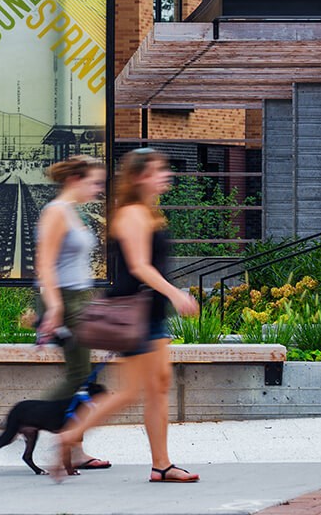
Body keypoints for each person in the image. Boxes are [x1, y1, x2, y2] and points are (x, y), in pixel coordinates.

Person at [54, 147, 201, 482]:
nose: (166, 175)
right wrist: (175, 293)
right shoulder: (132, 213)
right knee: (132, 391)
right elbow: (138, 266)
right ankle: (67, 436)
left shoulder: (148, 212)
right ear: (138, 177)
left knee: (158, 386)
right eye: (158, 170)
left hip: (150, 313)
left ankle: (161, 465)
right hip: (136, 314)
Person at [34, 154, 111, 471]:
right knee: (79, 376)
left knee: (80, 374)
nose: (98, 189)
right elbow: (45, 265)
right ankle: (36, 420)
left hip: (79, 298)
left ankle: (71, 442)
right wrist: (54, 307)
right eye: (94, 182)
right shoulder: (55, 213)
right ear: (74, 180)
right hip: (64, 301)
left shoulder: (71, 212)